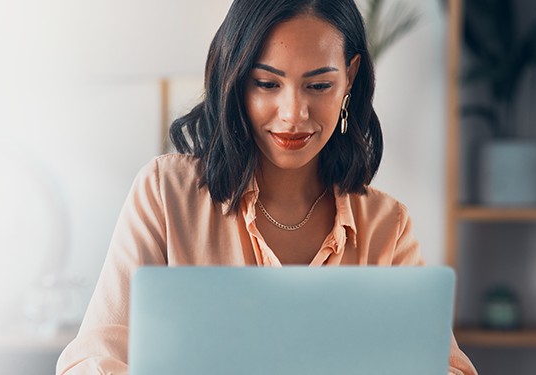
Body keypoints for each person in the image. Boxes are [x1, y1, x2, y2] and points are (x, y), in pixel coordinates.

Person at [54, 0, 479, 374]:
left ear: (349, 78)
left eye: (318, 86)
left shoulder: (388, 226)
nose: (293, 113)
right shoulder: (165, 194)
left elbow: (446, 366)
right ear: (235, 79)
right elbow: (90, 361)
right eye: (267, 83)